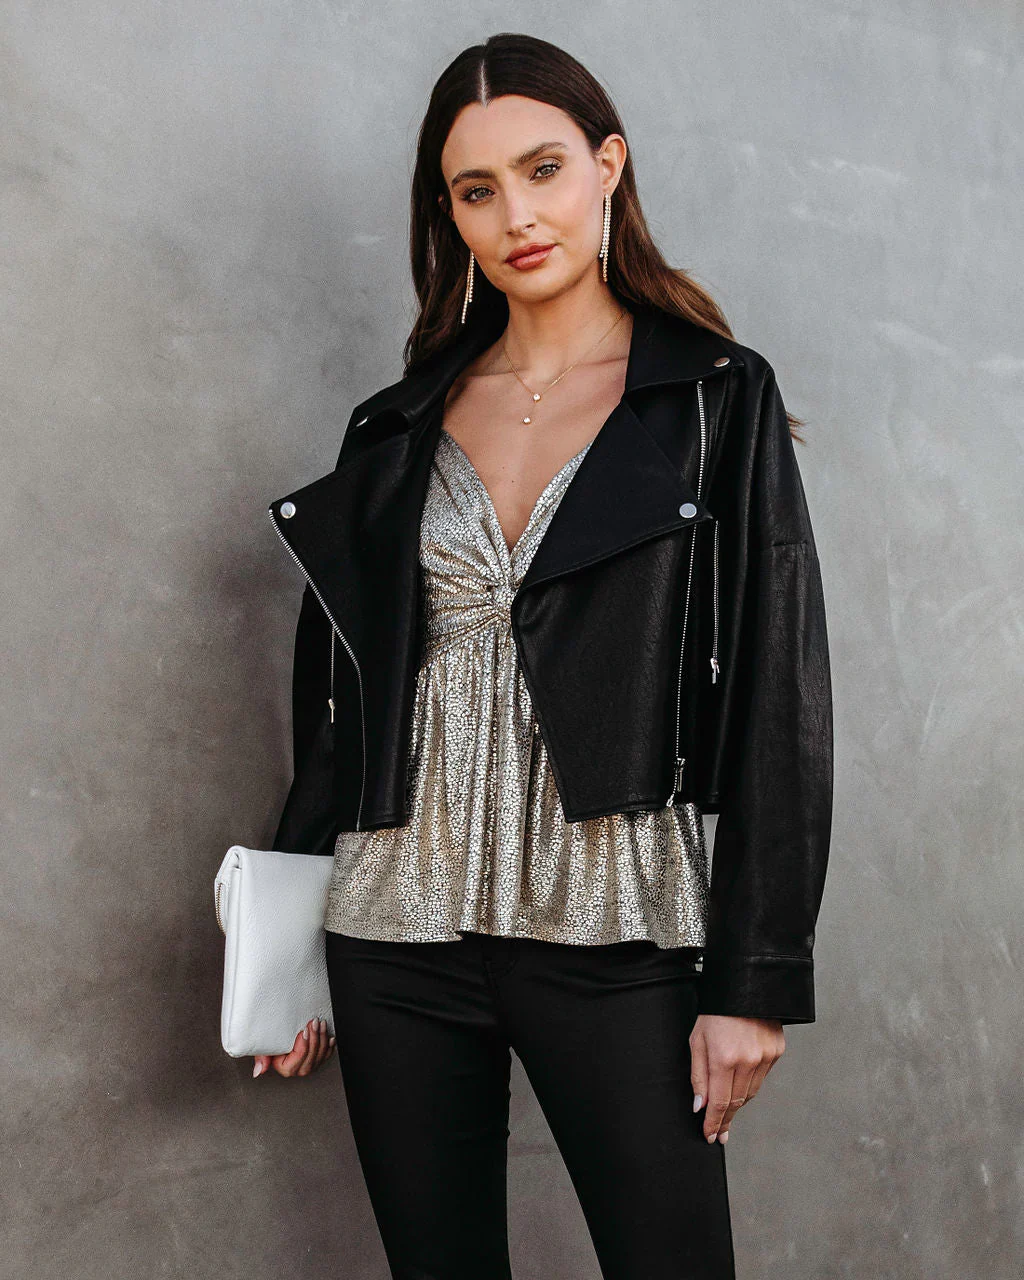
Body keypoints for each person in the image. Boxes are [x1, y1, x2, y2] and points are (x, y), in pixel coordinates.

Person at [252, 31, 834, 1280]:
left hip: (615, 930)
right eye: (476, 190)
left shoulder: (714, 397)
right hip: (393, 935)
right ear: (449, 215)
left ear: (606, 165)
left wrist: (753, 977)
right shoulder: (396, 423)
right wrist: (286, 942)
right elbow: (340, 701)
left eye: (542, 169)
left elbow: (778, 693)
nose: (515, 215)